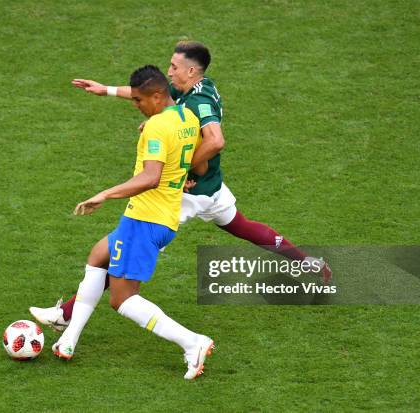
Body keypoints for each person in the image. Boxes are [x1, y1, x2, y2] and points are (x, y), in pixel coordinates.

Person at [31, 40, 331, 331]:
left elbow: (216, 140)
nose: (169, 71)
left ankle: (66, 314)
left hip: (186, 192)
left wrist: (179, 168)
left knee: (120, 247)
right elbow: (150, 91)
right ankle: (308, 263)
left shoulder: (199, 101)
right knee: (243, 225)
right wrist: (105, 90)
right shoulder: (192, 87)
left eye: (174, 66)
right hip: (212, 186)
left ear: (191, 71)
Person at [50, 65, 213, 380]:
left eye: (138, 100)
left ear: (156, 96)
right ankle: (68, 339)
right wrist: (177, 176)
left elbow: (150, 178)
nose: (135, 105)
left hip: (144, 219)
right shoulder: (188, 119)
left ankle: (193, 342)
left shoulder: (156, 127)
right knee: (99, 255)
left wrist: (104, 194)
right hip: (163, 218)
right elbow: (201, 166)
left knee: (122, 299)